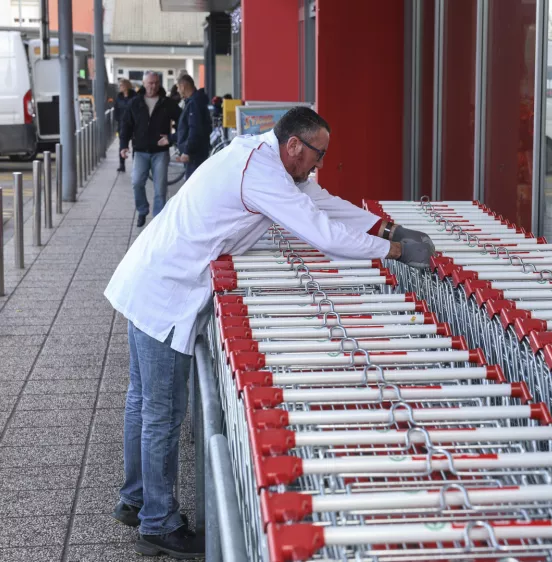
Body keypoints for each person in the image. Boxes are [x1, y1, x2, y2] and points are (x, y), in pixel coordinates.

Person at [103, 107, 435, 559]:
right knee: (162, 410)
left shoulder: (263, 156)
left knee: (142, 402)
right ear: (295, 145)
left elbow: (321, 202)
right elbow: (321, 232)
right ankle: (157, 523)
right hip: (165, 292)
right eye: (317, 155)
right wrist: (393, 250)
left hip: (151, 279)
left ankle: (135, 499)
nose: (318, 165)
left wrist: (386, 226)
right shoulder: (262, 174)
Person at [119, 71, 182, 227]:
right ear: (144, 83)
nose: (153, 86)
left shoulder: (166, 103)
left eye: (155, 83)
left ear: (158, 84)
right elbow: (126, 125)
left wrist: (171, 137)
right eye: (150, 83)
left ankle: (158, 220)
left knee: (160, 188)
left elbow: (183, 121)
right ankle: (142, 210)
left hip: (160, 152)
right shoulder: (135, 102)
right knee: (136, 182)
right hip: (140, 151)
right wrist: (123, 145)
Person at [174, 75, 211, 178]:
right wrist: (169, 138)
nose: (177, 90)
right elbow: (185, 129)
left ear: (183, 86)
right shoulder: (194, 101)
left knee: (192, 185)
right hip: (196, 153)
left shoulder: (194, 103)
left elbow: (194, 129)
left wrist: (187, 151)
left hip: (194, 155)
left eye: (178, 87)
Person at [114, 79, 137, 172]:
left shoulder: (135, 96)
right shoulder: (119, 97)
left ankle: (136, 164)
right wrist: (119, 120)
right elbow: (116, 110)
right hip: (122, 124)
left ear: (127, 86)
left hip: (134, 124)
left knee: (135, 145)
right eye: (119, 85)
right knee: (122, 145)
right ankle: (122, 165)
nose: (120, 87)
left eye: (121, 85)